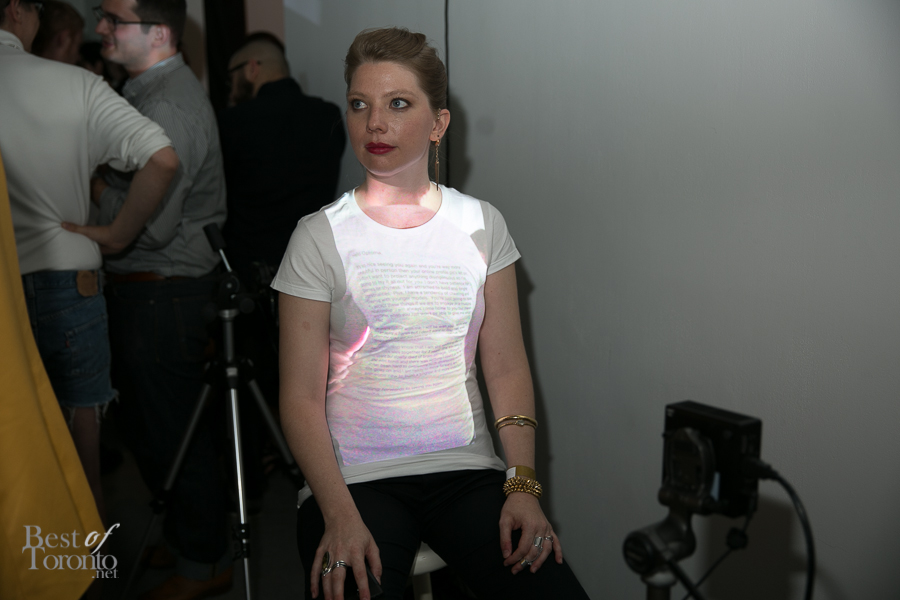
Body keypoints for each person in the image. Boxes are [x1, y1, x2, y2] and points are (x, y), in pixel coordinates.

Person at [273, 27, 589, 600]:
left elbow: (506, 368)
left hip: (465, 473)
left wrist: (522, 484)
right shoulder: (318, 236)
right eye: (360, 105)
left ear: (438, 123)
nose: (375, 123)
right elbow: (298, 397)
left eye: (398, 104)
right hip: (355, 480)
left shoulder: (481, 224)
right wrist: (337, 513)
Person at [71, 1, 230, 598]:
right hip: (153, 290)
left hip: (165, 292)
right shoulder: (147, 92)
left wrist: (92, 186)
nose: (101, 28)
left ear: (159, 32)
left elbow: (155, 226)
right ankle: (191, 540)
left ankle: (203, 563)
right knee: (157, 428)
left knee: (172, 432)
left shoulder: (167, 106)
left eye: (113, 19)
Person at [0, 0, 177, 528]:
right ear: (17, 10)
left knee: (12, 465)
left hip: (5, 291)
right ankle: (87, 570)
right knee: (82, 465)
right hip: (67, 282)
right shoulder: (75, 84)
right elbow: (162, 158)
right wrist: (117, 234)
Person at [219, 31, 345, 285]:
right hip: (312, 265)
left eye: (231, 77)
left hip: (249, 272)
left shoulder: (234, 121)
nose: (231, 90)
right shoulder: (328, 116)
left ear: (251, 68)